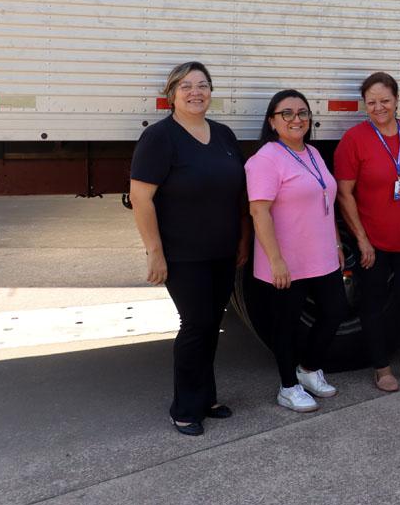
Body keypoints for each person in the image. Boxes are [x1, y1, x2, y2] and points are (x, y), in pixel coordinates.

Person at [129, 62, 248, 437]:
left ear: (211, 92)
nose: (195, 92)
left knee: (212, 324)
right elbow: (141, 198)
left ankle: (206, 398)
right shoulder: (160, 138)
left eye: (203, 85)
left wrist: (242, 241)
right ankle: (184, 407)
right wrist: (154, 251)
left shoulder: (225, 136)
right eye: (186, 86)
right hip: (183, 254)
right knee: (195, 325)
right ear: (172, 95)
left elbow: (238, 195)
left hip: (222, 251)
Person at [335, 71, 400, 390]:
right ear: (364, 105)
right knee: (373, 306)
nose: (379, 107)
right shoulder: (354, 139)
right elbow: (344, 193)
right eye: (371, 102)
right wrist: (362, 240)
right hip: (374, 244)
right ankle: (381, 368)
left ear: (396, 100)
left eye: (385, 100)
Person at [245, 89, 350, 413]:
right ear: (272, 122)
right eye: (287, 113)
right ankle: (288, 387)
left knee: (335, 312)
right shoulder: (265, 159)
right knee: (286, 326)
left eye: (302, 112)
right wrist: (275, 260)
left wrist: (335, 242)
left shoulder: (313, 154)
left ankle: (308, 370)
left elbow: (326, 201)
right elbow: (259, 213)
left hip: (322, 256)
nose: (297, 119)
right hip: (286, 260)